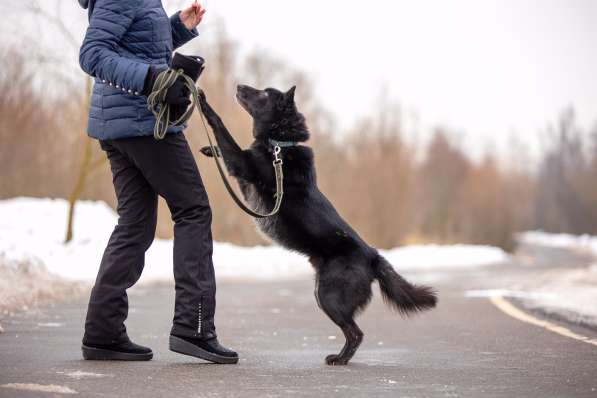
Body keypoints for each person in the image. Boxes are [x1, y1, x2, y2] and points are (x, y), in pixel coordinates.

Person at [77, 0, 238, 364]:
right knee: (193, 210)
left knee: (135, 224)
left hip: (120, 122)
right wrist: (153, 79)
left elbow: (134, 44)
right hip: (143, 121)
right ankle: (193, 327)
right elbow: (92, 54)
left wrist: (177, 27)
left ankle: (103, 333)